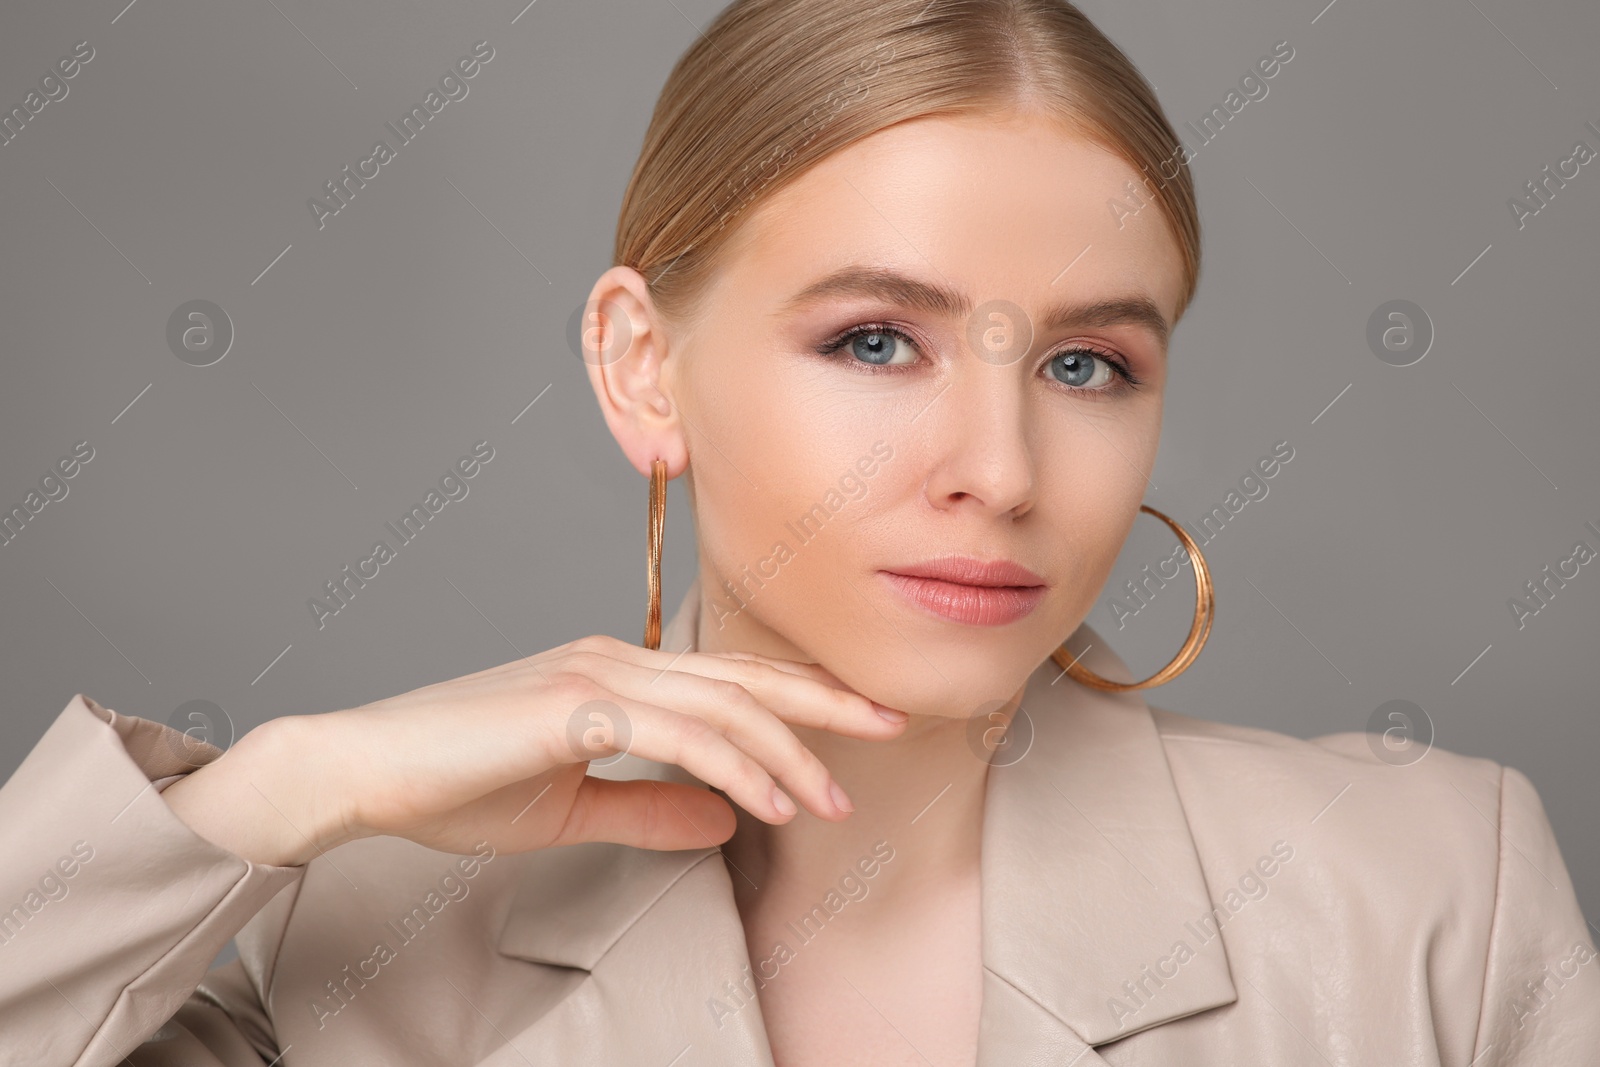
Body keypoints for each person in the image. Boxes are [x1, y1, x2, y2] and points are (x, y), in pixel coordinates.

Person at [2, 1, 1596, 1064]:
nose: (1001, 468)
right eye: (876, 342)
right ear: (644, 365)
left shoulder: (1438, 894)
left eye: (1085, 364)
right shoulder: (350, 938)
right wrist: (276, 792)